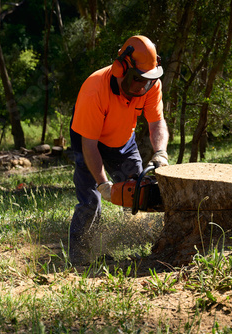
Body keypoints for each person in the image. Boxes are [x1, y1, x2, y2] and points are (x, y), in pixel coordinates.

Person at [69, 35, 169, 265]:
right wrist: (103, 184)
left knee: (139, 192)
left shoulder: (150, 84)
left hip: (123, 140)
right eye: (138, 79)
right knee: (91, 201)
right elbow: (89, 146)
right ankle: (79, 257)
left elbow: (156, 122)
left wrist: (160, 152)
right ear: (121, 68)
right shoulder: (94, 90)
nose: (143, 86)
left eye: (148, 79)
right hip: (89, 140)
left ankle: (141, 245)